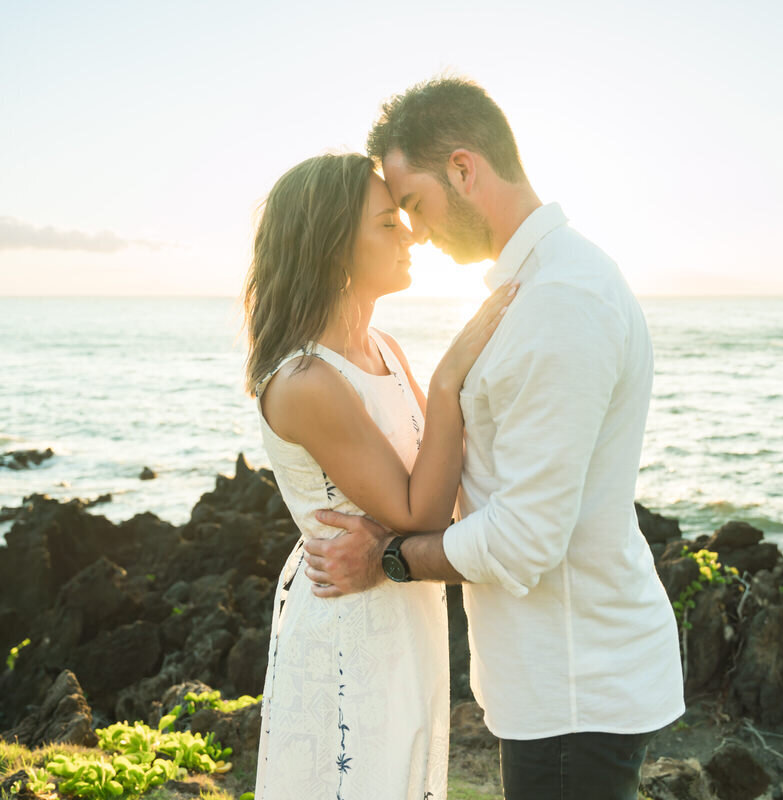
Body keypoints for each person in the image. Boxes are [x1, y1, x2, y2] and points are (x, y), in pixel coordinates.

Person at [302, 78, 686, 800]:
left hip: (576, 683)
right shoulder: (537, 288)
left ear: (464, 168)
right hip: (556, 677)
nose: (414, 228)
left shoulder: (560, 303)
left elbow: (524, 541)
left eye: (414, 203)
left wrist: (386, 559)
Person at [244, 151, 516, 800]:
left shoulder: (386, 350)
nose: (411, 234)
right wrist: (450, 378)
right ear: (334, 246)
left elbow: (438, 491)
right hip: (350, 628)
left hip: (406, 612)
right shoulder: (307, 381)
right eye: (387, 223)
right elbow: (421, 514)